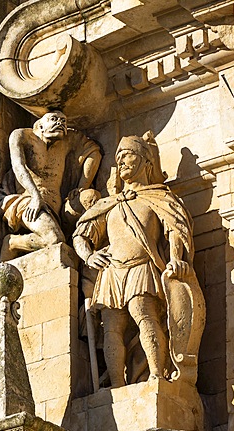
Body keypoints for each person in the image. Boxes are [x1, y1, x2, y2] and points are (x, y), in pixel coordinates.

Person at [72, 131, 199, 387]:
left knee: (143, 314)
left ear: (144, 161)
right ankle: (118, 386)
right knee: (111, 326)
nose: (121, 162)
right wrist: (89, 256)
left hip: (142, 267)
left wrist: (175, 259)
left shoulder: (159, 198)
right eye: (118, 158)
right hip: (112, 271)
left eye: (127, 155)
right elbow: (81, 234)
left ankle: (156, 376)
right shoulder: (111, 204)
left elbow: (174, 228)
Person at [0, 110, 101, 260]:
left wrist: (82, 187)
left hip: (57, 206)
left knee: (91, 197)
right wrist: (35, 196)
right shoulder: (22, 136)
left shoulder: (67, 140)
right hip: (27, 201)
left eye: (64, 121)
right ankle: (13, 243)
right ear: (40, 125)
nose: (60, 123)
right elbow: (18, 166)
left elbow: (93, 152)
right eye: (54, 119)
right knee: (55, 239)